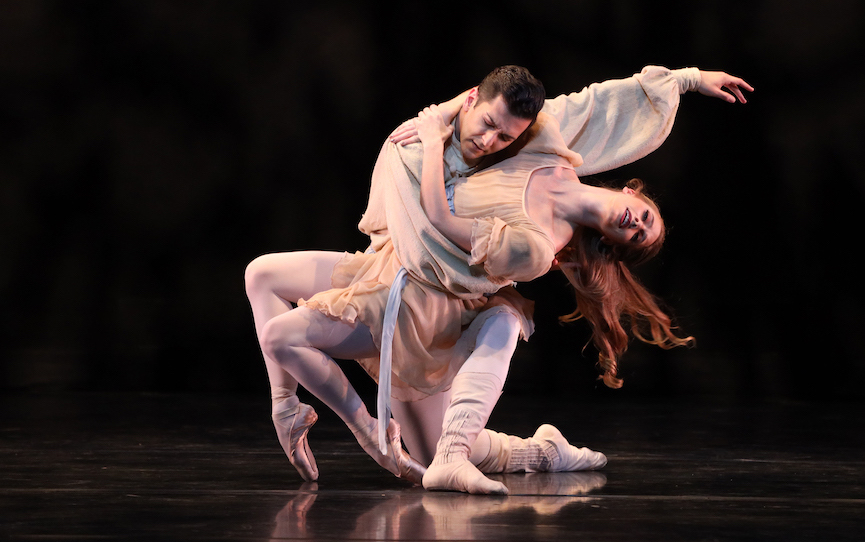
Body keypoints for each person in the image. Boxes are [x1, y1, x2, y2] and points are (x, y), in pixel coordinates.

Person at [244, 64, 752, 493]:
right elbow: (596, 105)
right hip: (388, 264)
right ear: (636, 193)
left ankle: (387, 435)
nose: (637, 225)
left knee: (294, 346)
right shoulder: (545, 147)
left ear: (616, 246)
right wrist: (686, 79)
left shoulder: (538, 244)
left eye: (638, 238)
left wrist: (430, 134)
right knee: (261, 274)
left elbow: (439, 224)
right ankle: (287, 407)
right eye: (646, 217)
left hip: (426, 300)